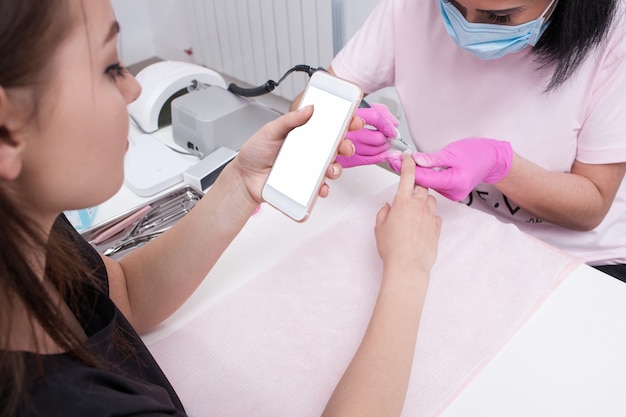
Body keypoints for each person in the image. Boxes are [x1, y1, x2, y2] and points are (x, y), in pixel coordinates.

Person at [0, 0, 442, 416]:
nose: (133, 87)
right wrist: (408, 269)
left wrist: (240, 185)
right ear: (6, 131)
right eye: (109, 68)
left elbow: (121, 298)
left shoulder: (30, 233)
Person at [295, 0, 626, 281]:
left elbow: (591, 206)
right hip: (454, 229)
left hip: (580, 260)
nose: (467, 27)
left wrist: (500, 165)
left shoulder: (616, 31)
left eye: (499, 17)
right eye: (451, 6)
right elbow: (315, 100)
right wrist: (332, 125)